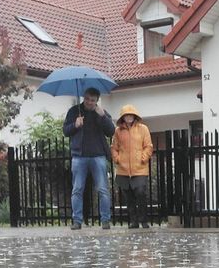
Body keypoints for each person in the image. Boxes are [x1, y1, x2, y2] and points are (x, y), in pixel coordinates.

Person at [63, 87, 114, 229]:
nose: (89, 103)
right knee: (77, 189)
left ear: (97, 101)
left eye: (92, 100)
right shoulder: (74, 111)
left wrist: (103, 117)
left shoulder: (101, 113)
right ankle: (77, 221)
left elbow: (111, 131)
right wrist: (75, 124)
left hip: (98, 156)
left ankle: (105, 220)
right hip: (79, 157)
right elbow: (65, 131)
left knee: (103, 189)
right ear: (83, 98)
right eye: (87, 99)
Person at [111, 104, 154, 228]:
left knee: (140, 193)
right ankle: (134, 221)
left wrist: (143, 158)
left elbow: (148, 146)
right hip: (123, 170)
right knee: (128, 197)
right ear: (122, 118)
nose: (128, 117)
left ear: (134, 116)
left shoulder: (143, 129)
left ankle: (144, 220)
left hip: (140, 169)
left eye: (130, 115)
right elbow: (114, 148)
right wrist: (117, 159)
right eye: (126, 115)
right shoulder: (118, 131)